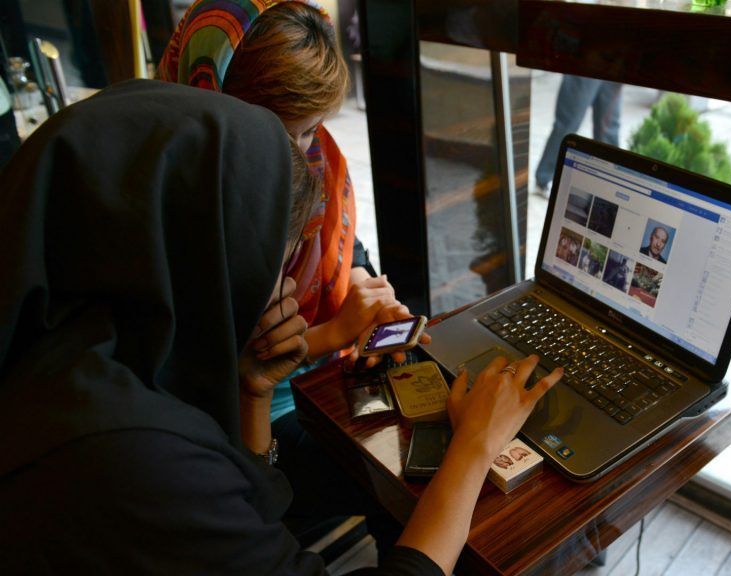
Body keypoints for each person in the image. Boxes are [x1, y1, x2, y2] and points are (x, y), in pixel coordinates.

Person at [0, 79, 562, 575]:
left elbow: (250, 504)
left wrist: (251, 393)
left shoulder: (68, 352)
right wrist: (474, 446)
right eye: (269, 263)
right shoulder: (132, 461)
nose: (285, 288)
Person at [158, 0, 407, 549]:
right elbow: (200, 375)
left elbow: (347, 247)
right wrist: (335, 333)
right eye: (281, 136)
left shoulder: (315, 157)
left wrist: (362, 282)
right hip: (236, 430)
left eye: (312, 130)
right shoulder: (172, 204)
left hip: (312, 387)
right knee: (405, 488)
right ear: (214, 104)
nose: (302, 154)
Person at [534, 75, 624, 197]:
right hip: (587, 63)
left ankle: (608, 187)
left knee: (609, 130)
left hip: (616, 66)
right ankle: (545, 179)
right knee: (568, 123)